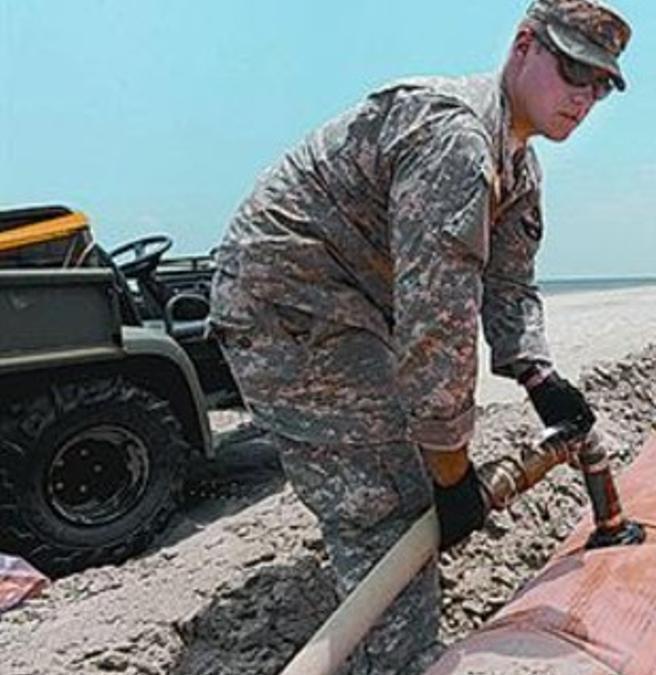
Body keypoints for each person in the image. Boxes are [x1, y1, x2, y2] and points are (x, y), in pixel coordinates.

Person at [207, 2, 631, 671]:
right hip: (287, 299)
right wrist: (451, 473)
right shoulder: (456, 138)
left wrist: (540, 376)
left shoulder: (517, 167)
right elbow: (439, 328)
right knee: (390, 497)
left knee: (408, 464)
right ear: (524, 46)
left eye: (600, 84)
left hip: (358, 303)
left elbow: (509, 287)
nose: (583, 96)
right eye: (573, 69)